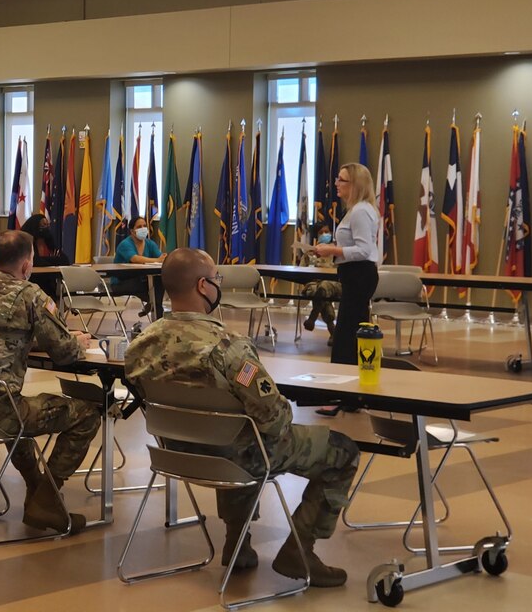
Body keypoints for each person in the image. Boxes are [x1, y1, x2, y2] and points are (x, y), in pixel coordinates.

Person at [124, 248, 360, 588]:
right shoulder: (229, 349)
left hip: (177, 455)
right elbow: (275, 419)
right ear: (204, 285)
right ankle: (300, 549)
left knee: (234, 433)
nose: (218, 284)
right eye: (217, 279)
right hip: (232, 460)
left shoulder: (140, 345)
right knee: (341, 449)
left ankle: (238, 543)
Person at [0, 230, 99, 534]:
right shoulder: (29, 294)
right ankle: (46, 498)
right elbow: (65, 353)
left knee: (14, 405)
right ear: (28, 264)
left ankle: (35, 488)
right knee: (88, 412)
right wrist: (78, 342)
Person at [311, 163, 380, 367]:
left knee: (348, 328)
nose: (336, 183)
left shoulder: (360, 211)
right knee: (348, 326)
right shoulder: (356, 210)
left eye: (341, 180)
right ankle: (349, 368)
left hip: (360, 274)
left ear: (356, 184)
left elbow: (363, 250)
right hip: (354, 274)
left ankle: (347, 369)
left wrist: (332, 251)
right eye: (337, 179)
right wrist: (332, 247)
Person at [111, 216, 166, 319]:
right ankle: (153, 304)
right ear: (132, 231)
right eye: (139, 226)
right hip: (121, 283)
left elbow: (160, 257)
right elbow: (135, 259)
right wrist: (157, 260)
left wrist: (162, 258)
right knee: (150, 288)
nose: (143, 228)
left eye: (145, 226)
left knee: (159, 280)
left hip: (142, 281)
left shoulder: (149, 243)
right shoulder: (125, 244)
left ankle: (154, 305)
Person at [301, 224, 340, 343]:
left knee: (324, 287)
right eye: (321, 232)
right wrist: (312, 259)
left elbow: (341, 273)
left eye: (326, 231)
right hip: (313, 283)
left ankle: (313, 317)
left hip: (333, 283)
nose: (324, 234)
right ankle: (333, 331)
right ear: (317, 236)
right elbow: (300, 271)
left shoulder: (336, 252)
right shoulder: (310, 253)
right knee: (318, 291)